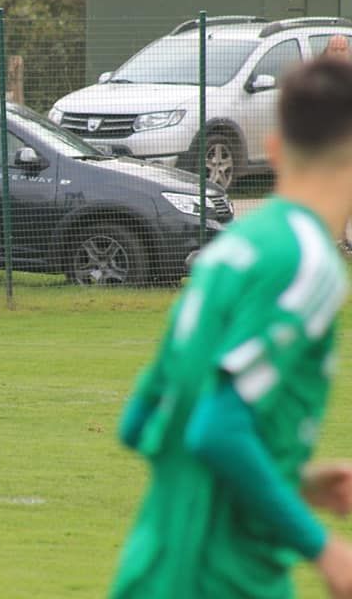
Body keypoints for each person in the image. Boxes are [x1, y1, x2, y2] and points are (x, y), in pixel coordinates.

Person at [110, 58, 352, 599]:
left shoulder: (231, 252)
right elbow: (216, 429)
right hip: (228, 579)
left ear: (273, 148)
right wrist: (326, 549)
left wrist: (296, 483)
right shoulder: (307, 260)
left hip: (152, 570)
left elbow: (142, 420)